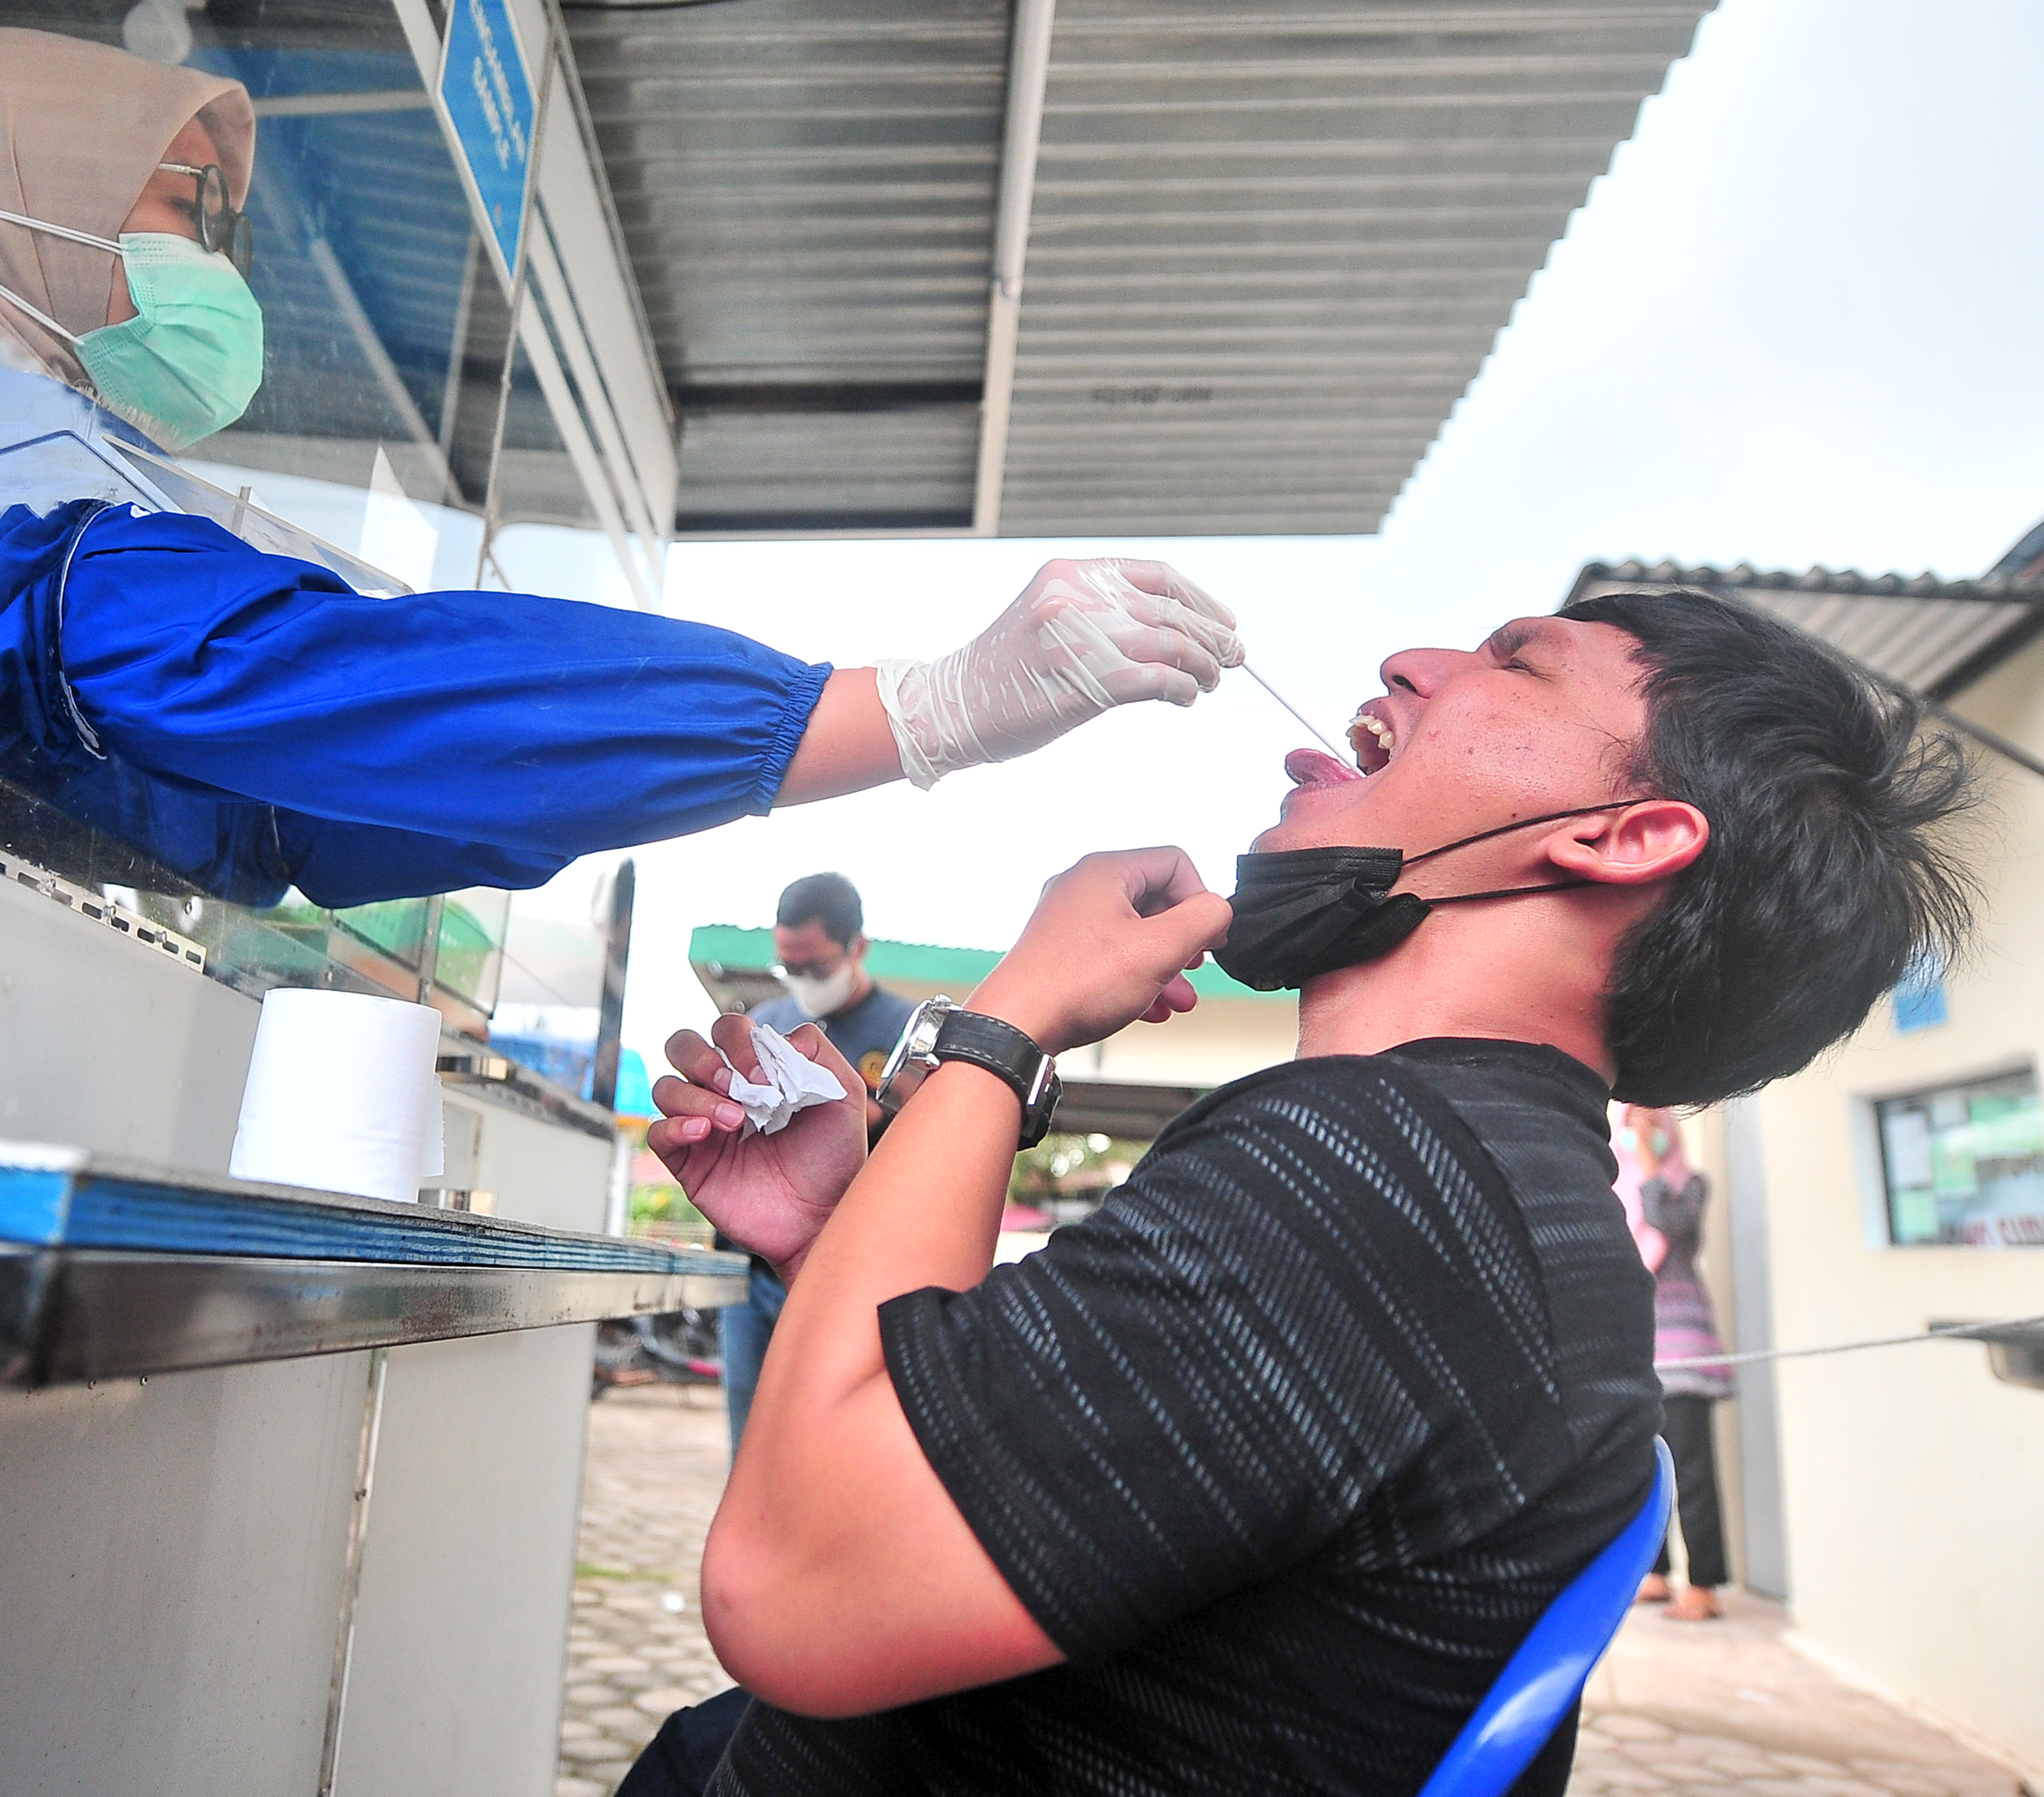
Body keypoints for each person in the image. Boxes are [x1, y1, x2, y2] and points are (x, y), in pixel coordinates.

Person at [0, 28, 1242, 1122]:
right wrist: (915, 706)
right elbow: (348, 697)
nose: (204, 265)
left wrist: (594, 774)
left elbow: (286, 806)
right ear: (18, 219)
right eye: (172, 212)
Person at [632, 589, 1976, 1795]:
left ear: (1624, 836)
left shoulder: (1386, 1179)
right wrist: (835, 1242)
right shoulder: (1485, 1192)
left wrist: (1009, 1016)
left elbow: (796, 1588)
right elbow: (1032, 1485)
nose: (1407, 656)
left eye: (1518, 660)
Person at [720, 874, 917, 1456]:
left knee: (836, 1452)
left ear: (858, 948)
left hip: (855, 1276)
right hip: (753, 1274)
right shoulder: (765, 1024)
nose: (803, 981)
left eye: (816, 966)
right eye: (790, 966)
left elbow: (937, 1143)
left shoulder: (909, 1033)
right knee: (752, 1444)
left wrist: (876, 1117)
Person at [1619, 1104, 1733, 1621]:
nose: (1646, 1131)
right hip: (1638, 1350)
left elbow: (1670, 1223)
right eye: (1636, 1123)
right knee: (1644, 1471)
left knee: (1692, 1471)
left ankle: (1705, 1584)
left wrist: (1649, 1164)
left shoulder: (1689, 1186)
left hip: (1685, 1350)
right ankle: (1657, 1573)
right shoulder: (1616, 1187)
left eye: (1654, 1122)